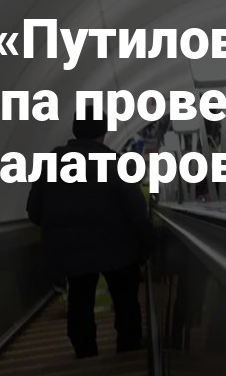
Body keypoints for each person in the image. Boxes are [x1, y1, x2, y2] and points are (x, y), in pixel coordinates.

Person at [26, 110, 153, 358]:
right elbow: (136, 211)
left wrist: (62, 231)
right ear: (103, 132)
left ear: (75, 130)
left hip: (71, 252)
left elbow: (34, 211)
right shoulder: (115, 163)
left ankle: (85, 355)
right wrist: (146, 244)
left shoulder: (51, 163)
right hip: (117, 249)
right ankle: (128, 351)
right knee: (125, 301)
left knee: (79, 303)